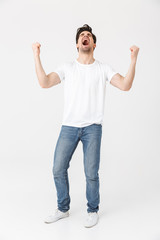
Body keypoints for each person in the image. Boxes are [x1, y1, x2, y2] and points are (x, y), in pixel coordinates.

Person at [32, 24, 139, 228]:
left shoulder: (103, 68)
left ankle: (92, 210)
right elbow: (44, 82)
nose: (85, 37)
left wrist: (133, 59)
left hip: (92, 128)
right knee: (58, 168)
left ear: (94, 44)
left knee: (91, 173)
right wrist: (36, 54)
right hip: (69, 126)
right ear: (77, 44)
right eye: (82, 35)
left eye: (88, 35)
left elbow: (125, 85)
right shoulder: (67, 67)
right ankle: (63, 209)